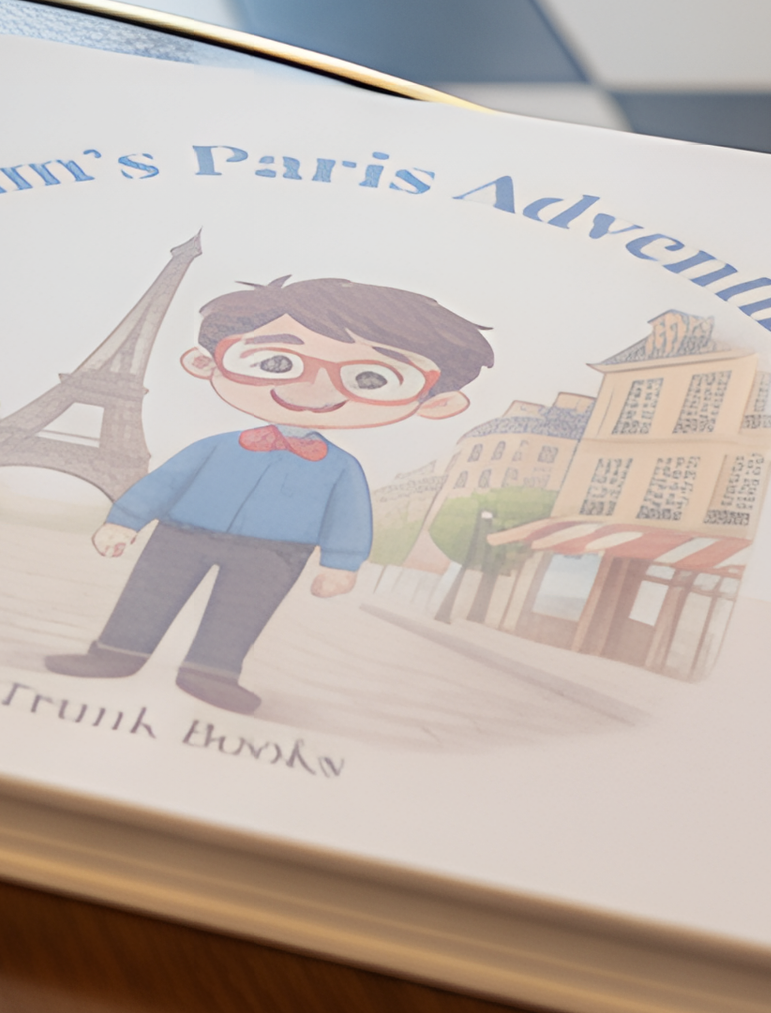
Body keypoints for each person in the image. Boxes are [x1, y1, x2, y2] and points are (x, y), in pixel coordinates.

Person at [46, 271, 492, 716]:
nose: (312, 388)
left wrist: (341, 563)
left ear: (436, 404)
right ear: (206, 364)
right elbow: (165, 482)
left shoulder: (341, 468)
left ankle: (211, 673)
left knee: (241, 615)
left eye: (370, 379)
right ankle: (114, 653)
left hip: (276, 552)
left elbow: (349, 517)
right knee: (147, 595)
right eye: (278, 363)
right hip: (181, 534)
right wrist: (124, 520)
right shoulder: (216, 446)